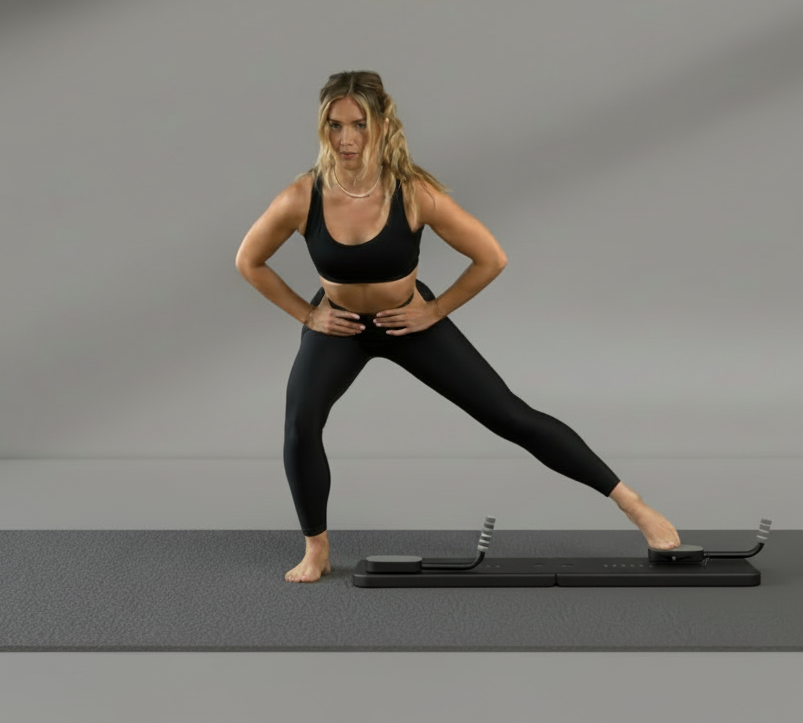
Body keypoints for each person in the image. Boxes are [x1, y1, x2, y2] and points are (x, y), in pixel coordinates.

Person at [236, 71, 681, 583]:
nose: (346, 139)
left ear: (382, 125)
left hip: (410, 323)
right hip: (341, 329)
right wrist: (309, 315)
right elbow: (249, 261)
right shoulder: (302, 196)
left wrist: (434, 310)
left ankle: (634, 505)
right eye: (335, 126)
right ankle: (316, 547)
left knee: (510, 415)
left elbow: (490, 257)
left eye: (359, 124)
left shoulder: (412, 193)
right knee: (300, 424)